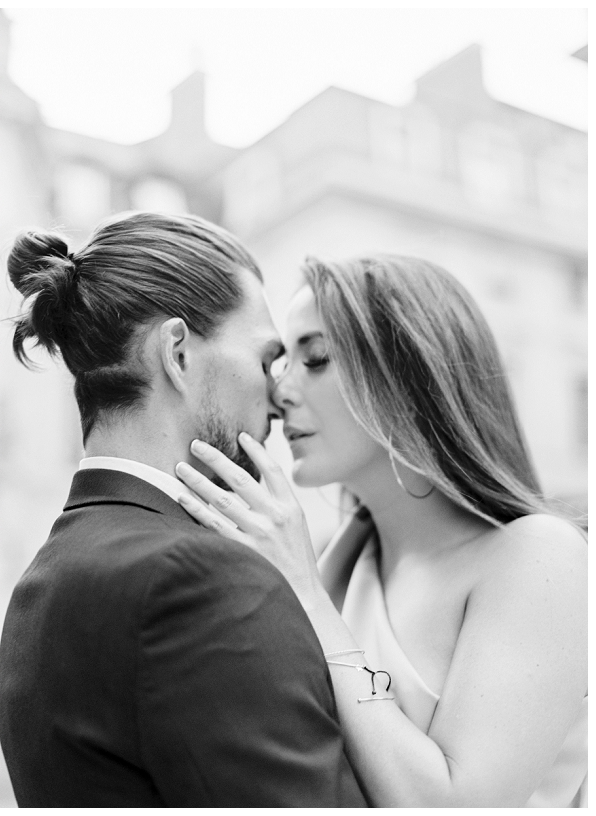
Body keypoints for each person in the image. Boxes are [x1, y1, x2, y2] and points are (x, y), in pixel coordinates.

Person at [174, 254, 587, 807]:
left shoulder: (540, 558)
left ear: (409, 371)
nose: (281, 393)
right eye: (279, 365)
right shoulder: (339, 565)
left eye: (315, 358)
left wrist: (304, 594)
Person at [0, 212, 366, 807]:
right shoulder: (202, 579)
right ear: (177, 354)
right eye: (266, 357)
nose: (278, 394)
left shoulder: (37, 586)